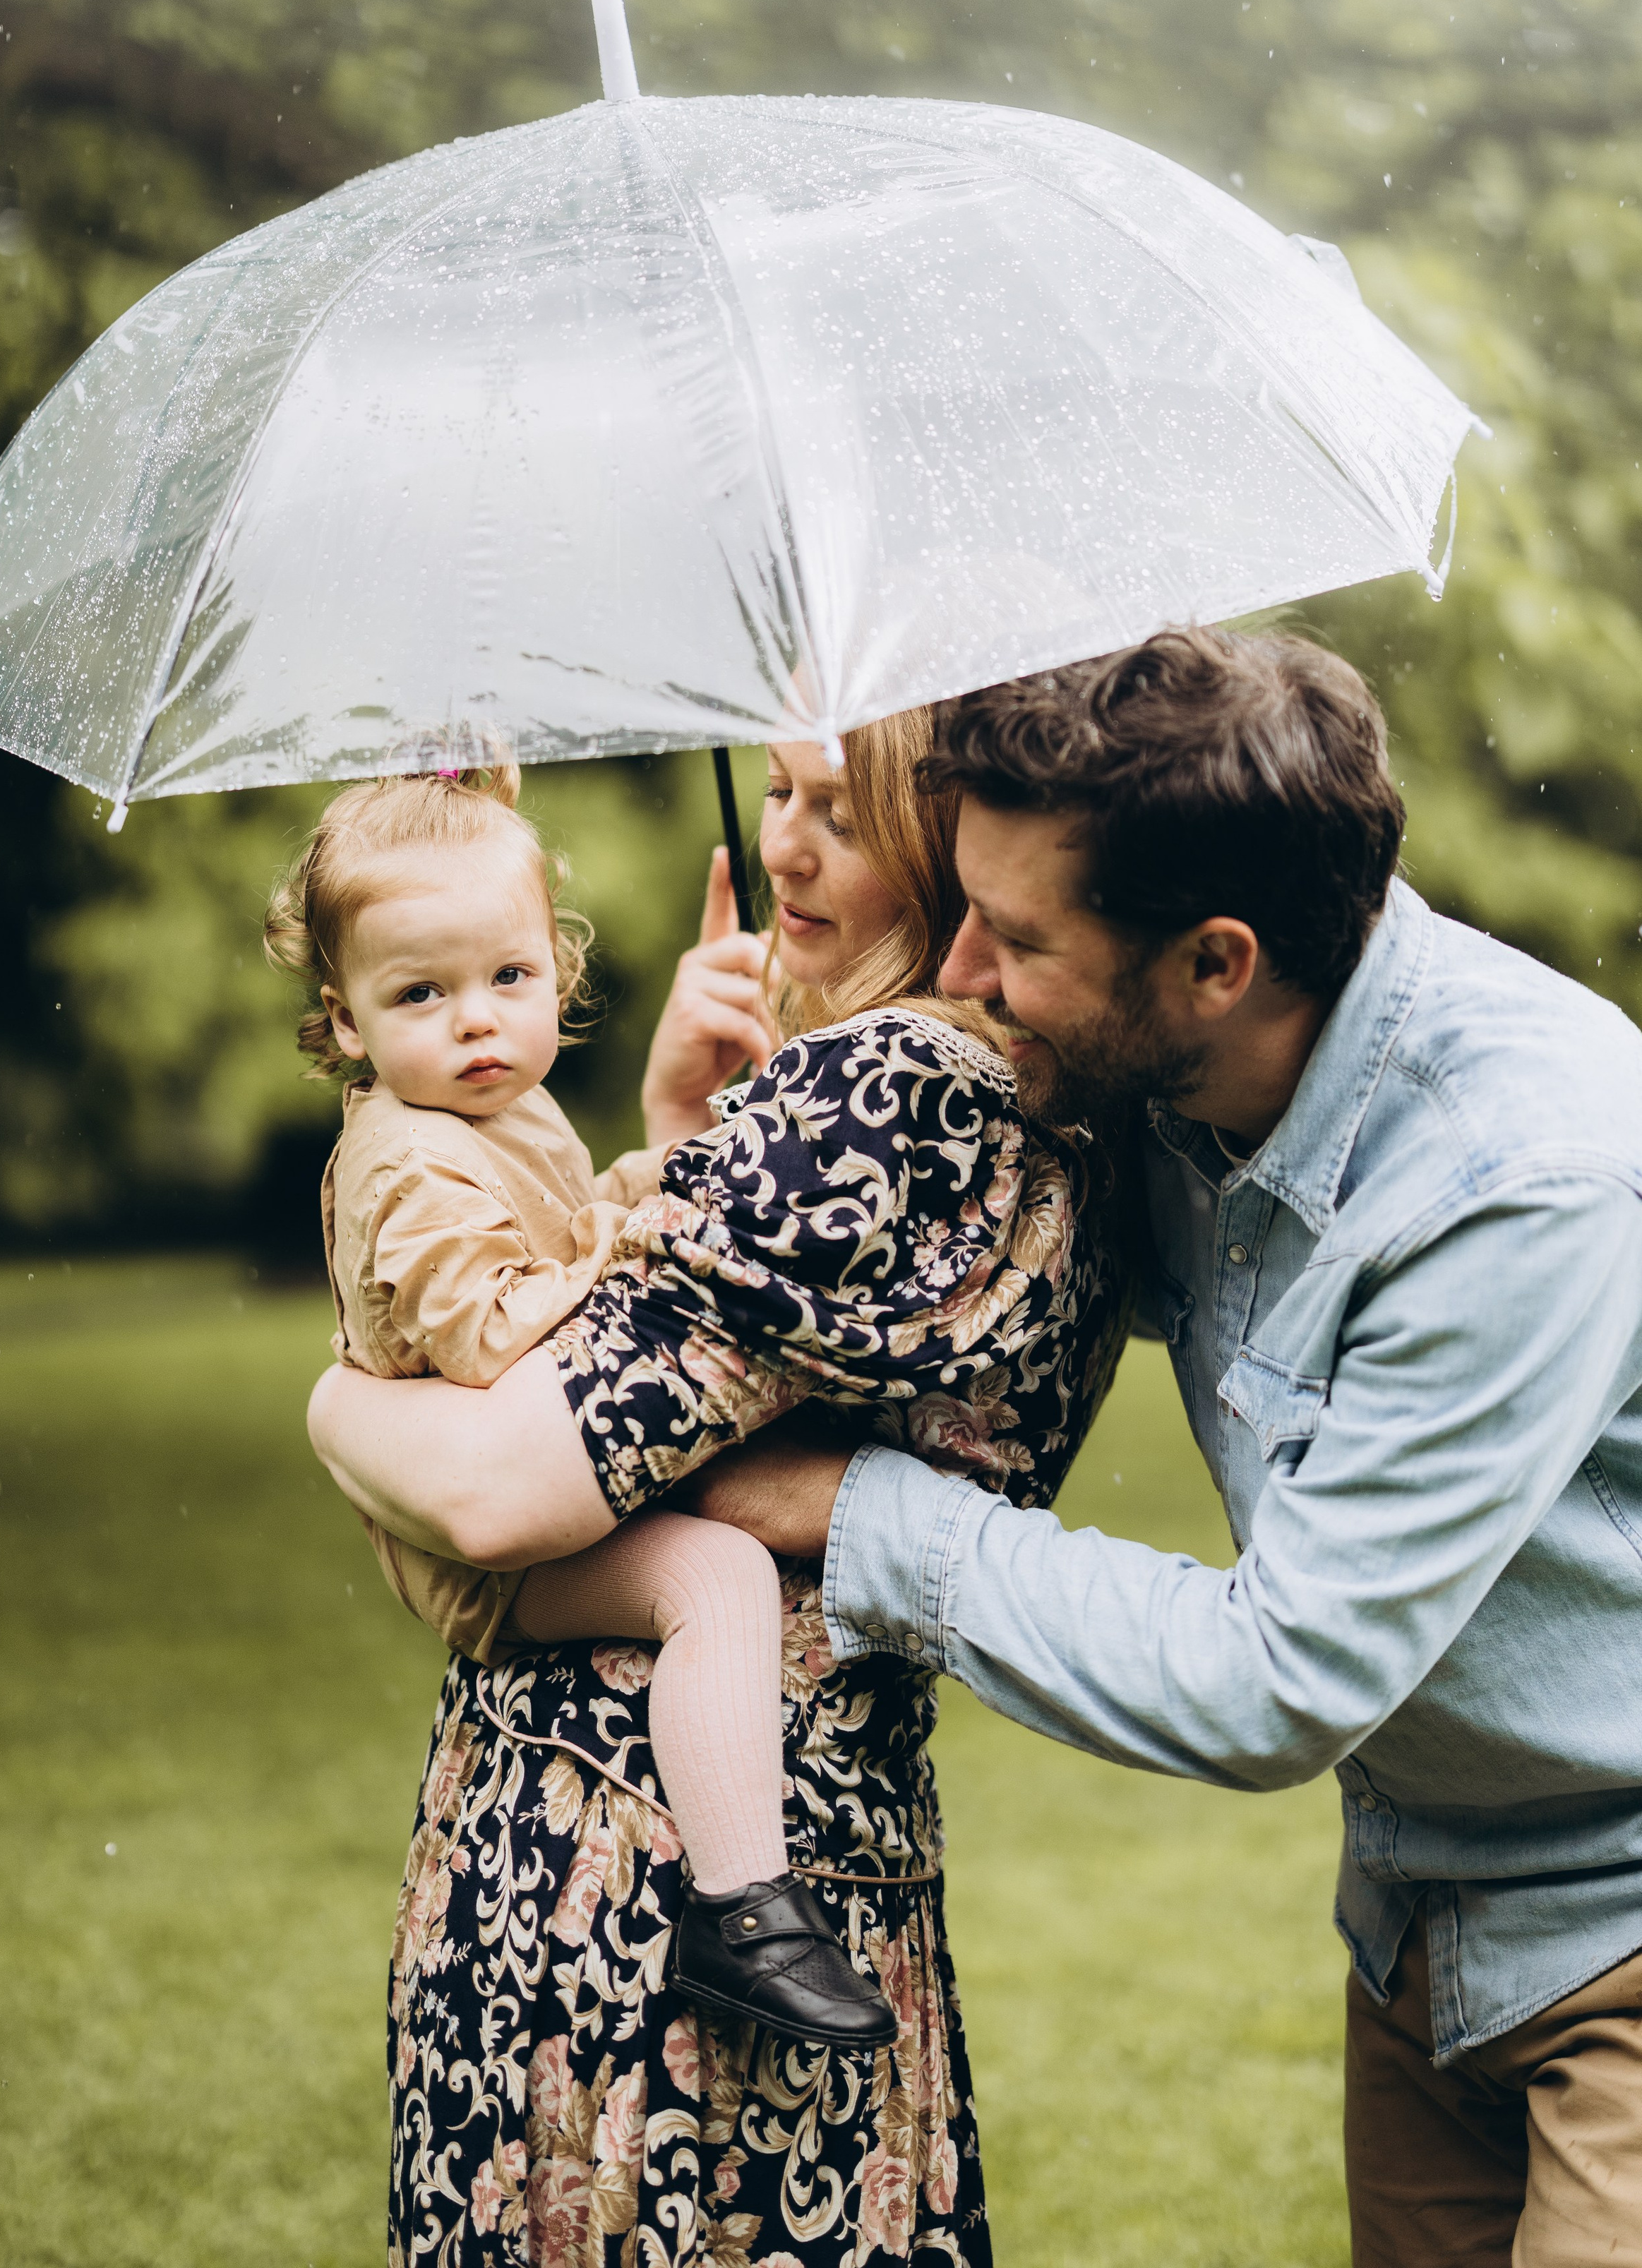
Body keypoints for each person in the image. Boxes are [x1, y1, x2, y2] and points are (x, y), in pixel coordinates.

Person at [689, 628, 1642, 2268]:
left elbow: (1271, 1677)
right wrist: (744, 1130)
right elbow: (973, 1296)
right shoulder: (1178, 1085)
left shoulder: (1518, 1182)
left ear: (1214, 961)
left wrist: (867, 1520)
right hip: (1418, 1929)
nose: (968, 969)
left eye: (1015, 933)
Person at [306, 709, 1133, 2268]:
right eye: (773, 790)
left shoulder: (888, 1093)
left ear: (954, 845)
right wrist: (696, 1135)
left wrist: (336, 1404)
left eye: (842, 807)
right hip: (831, 1843)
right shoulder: (1061, 1090)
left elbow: (513, 1478)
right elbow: (691, 1377)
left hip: (641, 1866)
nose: (782, 844)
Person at [265, 765, 892, 2043]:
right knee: (712, 1577)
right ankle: (742, 1907)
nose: (477, 1023)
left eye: (508, 979)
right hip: (475, 1549)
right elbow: (496, 1333)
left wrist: (648, 1177)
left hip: (526, 1489)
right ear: (345, 1021)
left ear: (558, 963)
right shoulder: (412, 1162)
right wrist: (632, 1235)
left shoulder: (492, 1106)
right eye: (420, 996)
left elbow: (554, 1233)